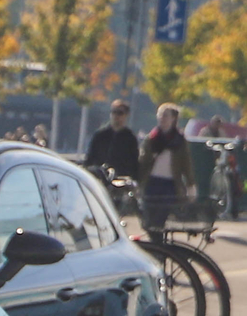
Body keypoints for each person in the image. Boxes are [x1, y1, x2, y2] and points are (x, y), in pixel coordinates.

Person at [140, 103, 195, 240]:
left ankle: (158, 248)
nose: (162, 118)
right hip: (151, 182)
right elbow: (142, 163)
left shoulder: (179, 141)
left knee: (160, 220)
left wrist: (190, 186)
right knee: (148, 221)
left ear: (173, 119)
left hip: (169, 185)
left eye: (165, 115)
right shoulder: (151, 138)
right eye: (160, 115)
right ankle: (157, 246)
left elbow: (186, 165)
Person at [83, 100, 140, 191]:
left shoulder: (130, 138)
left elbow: (134, 163)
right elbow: (90, 157)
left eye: (120, 113)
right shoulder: (100, 135)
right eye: (113, 112)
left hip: (121, 183)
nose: (116, 116)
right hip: (100, 180)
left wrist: (134, 181)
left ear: (126, 115)